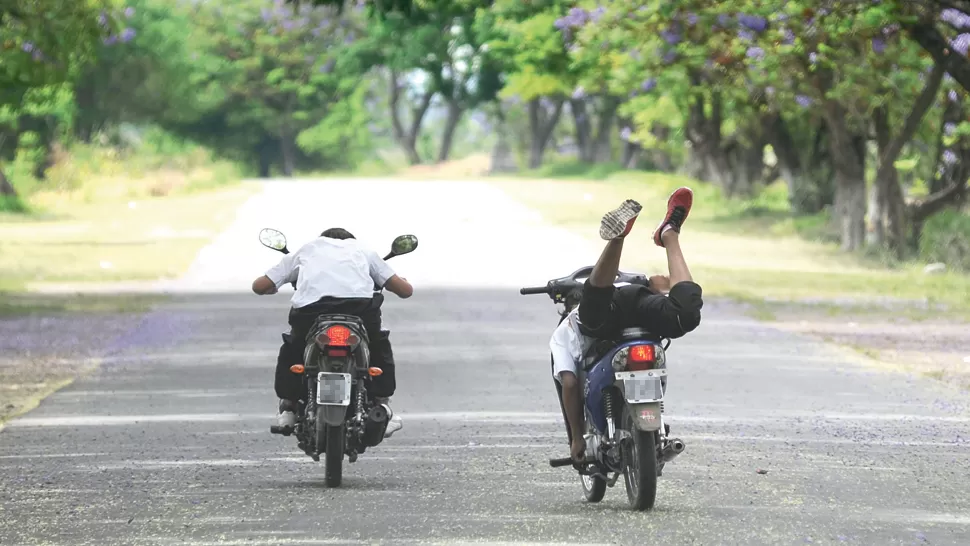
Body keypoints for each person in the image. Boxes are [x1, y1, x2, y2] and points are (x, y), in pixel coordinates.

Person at [549, 187, 703, 462]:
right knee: (684, 314)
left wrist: (575, 439)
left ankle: (666, 233)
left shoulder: (566, 331)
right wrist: (664, 285)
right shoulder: (568, 329)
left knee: (683, 315)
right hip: (626, 307)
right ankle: (645, 236)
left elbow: (569, 384)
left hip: (630, 307)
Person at [251, 227, 413, 438]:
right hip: (359, 312)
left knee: (293, 348)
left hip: (311, 314)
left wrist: (273, 287)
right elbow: (405, 291)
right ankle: (382, 406)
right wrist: (402, 280)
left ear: (323, 239)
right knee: (378, 345)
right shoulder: (363, 251)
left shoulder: (306, 251)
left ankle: (289, 408)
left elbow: (259, 286)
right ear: (350, 240)